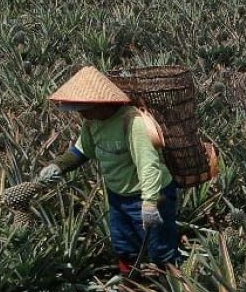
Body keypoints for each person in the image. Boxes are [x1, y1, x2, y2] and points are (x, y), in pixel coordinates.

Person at [39, 66, 181, 272]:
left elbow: (148, 165)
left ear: (103, 103)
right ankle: (132, 286)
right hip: (118, 196)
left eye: (85, 108)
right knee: (124, 245)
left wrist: (150, 203)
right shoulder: (93, 124)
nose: (82, 114)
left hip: (151, 194)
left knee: (160, 248)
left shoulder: (132, 122)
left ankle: (174, 289)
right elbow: (82, 151)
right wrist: (58, 166)